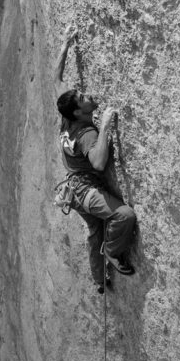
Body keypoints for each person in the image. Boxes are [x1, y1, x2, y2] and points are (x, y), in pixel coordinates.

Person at [54, 26, 136, 293]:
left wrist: (66, 46)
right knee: (123, 216)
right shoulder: (86, 133)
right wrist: (105, 127)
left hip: (74, 190)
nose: (87, 96)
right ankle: (112, 253)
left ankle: (99, 280)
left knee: (95, 230)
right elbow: (99, 163)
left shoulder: (67, 116)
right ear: (79, 112)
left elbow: (57, 80)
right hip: (85, 190)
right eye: (83, 99)